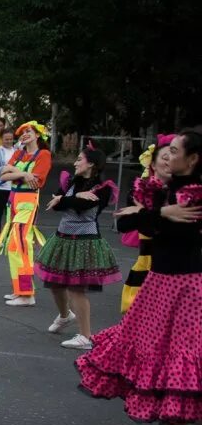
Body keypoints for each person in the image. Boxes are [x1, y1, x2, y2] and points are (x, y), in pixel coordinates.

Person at [77, 129, 202, 425]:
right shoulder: (171, 190)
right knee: (166, 355)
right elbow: (131, 221)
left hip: (184, 286)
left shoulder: (194, 194)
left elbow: (171, 230)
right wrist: (161, 213)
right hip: (165, 281)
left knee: (180, 359)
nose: (166, 155)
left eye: (174, 150)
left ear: (191, 160)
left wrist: (156, 214)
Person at [37, 146, 122, 350]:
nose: (75, 163)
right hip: (62, 237)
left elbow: (83, 207)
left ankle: (86, 336)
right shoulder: (70, 182)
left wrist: (66, 199)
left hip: (85, 240)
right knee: (54, 282)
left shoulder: (104, 187)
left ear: (91, 163)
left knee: (76, 288)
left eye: (79, 159)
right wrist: (71, 198)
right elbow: (54, 204)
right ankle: (66, 316)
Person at [0, 120, 53, 305]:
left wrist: (16, 171)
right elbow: (2, 175)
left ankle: (27, 294)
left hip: (28, 201)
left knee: (22, 245)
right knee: (13, 246)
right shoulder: (19, 153)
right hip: (13, 200)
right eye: (23, 132)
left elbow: (37, 180)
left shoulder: (43, 154)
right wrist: (23, 174)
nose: (25, 134)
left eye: (29, 131)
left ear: (38, 135)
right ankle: (19, 290)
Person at [117, 136, 174, 314]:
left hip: (178, 270)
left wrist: (142, 212)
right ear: (153, 164)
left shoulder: (186, 193)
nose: (171, 162)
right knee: (135, 318)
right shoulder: (140, 191)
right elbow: (124, 225)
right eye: (165, 158)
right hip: (146, 266)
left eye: (176, 157)